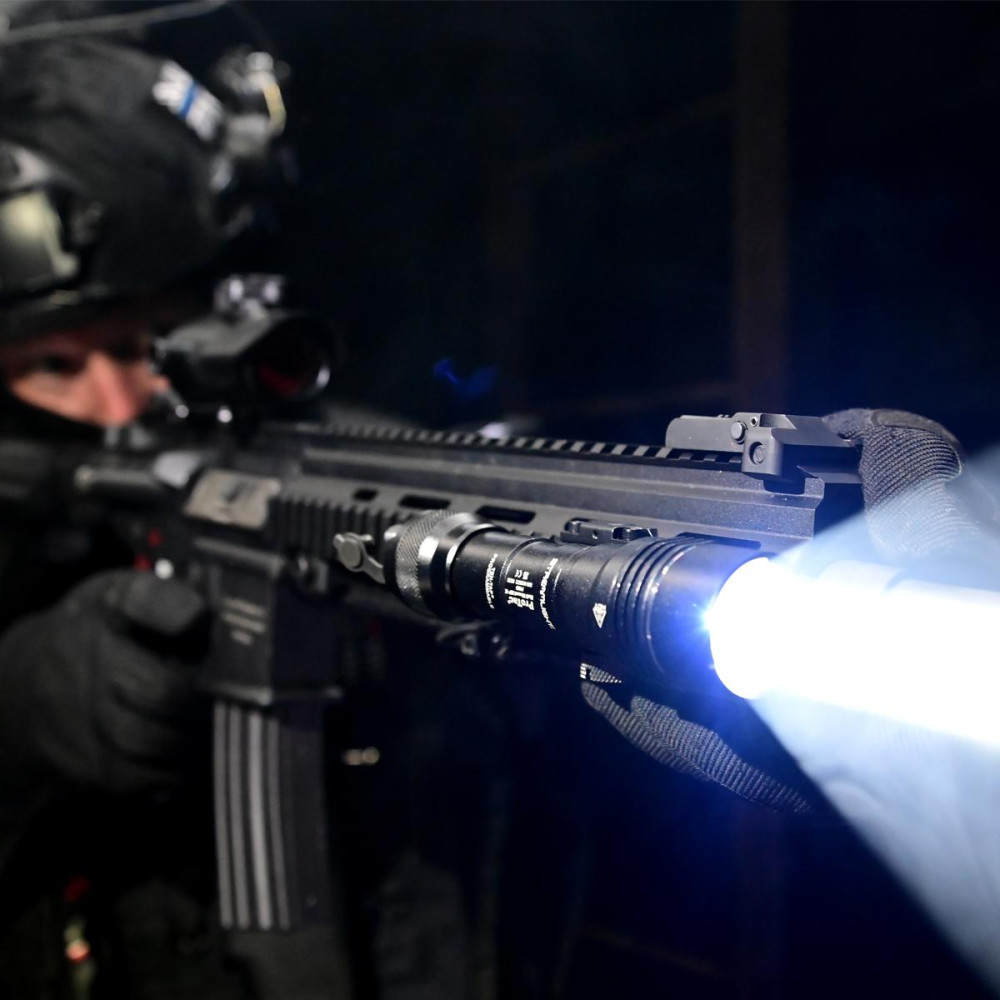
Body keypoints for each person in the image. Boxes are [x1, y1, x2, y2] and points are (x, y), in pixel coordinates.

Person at [0, 28, 291, 999]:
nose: (119, 404)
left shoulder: (318, 454)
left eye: (153, 344)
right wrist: (18, 718)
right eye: (52, 365)